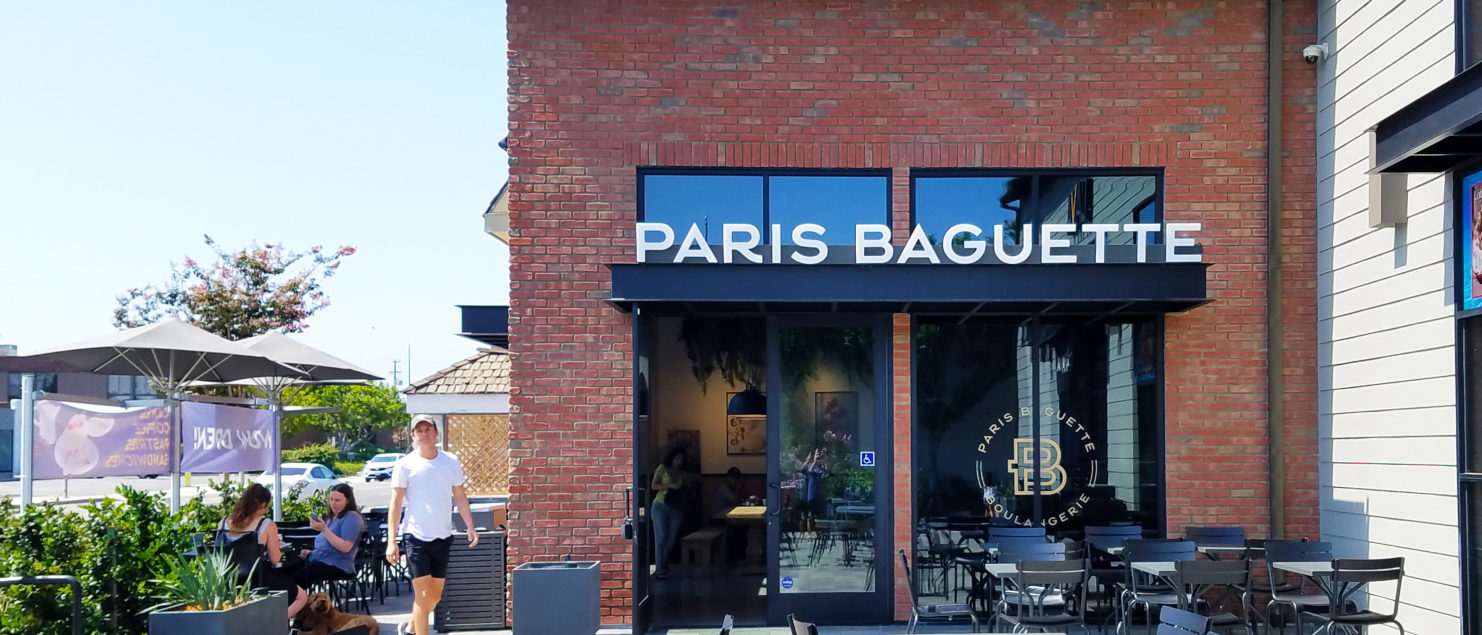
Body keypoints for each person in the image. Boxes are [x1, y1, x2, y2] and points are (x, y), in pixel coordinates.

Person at [386, 414, 479, 635]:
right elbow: (395, 503)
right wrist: (392, 541)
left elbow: (460, 496)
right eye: (419, 430)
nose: (424, 434)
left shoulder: (450, 461)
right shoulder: (405, 465)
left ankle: (411, 626)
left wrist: (470, 527)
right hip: (415, 536)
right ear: (413, 435)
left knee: (435, 596)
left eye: (428, 429)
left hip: (443, 535)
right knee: (422, 595)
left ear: (436, 433)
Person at [216, 482, 307, 618]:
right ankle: (275, 625)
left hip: (227, 580)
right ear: (264, 504)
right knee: (301, 597)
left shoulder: (224, 522)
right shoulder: (265, 524)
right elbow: (275, 559)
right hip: (256, 579)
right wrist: (278, 546)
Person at [290, 482, 365, 587]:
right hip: (320, 560)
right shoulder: (332, 518)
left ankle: (299, 600)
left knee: (295, 575)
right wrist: (312, 553)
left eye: (338, 500)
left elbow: (345, 547)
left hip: (338, 565)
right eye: (331, 499)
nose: (333, 504)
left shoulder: (352, 517)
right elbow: (328, 546)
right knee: (287, 568)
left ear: (348, 500)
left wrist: (324, 529)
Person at [649, 445, 688, 579]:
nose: (679, 462)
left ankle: (663, 564)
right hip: (660, 505)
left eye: (681, 460)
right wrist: (670, 485)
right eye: (677, 459)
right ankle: (659, 569)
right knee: (661, 537)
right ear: (672, 458)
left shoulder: (682, 473)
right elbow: (653, 486)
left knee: (671, 540)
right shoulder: (662, 468)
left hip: (677, 508)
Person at [800, 448, 828, 532]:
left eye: (819, 454)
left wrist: (824, 463)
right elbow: (809, 471)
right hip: (811, 493)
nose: (819, 456)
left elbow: (825, 474)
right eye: (817, 454)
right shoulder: (811, 465)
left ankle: (819, 530)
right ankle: (809, 532)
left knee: (819, 513)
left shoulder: (820, 466)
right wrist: (815, 462)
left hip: (819, 492)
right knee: (810, 514)